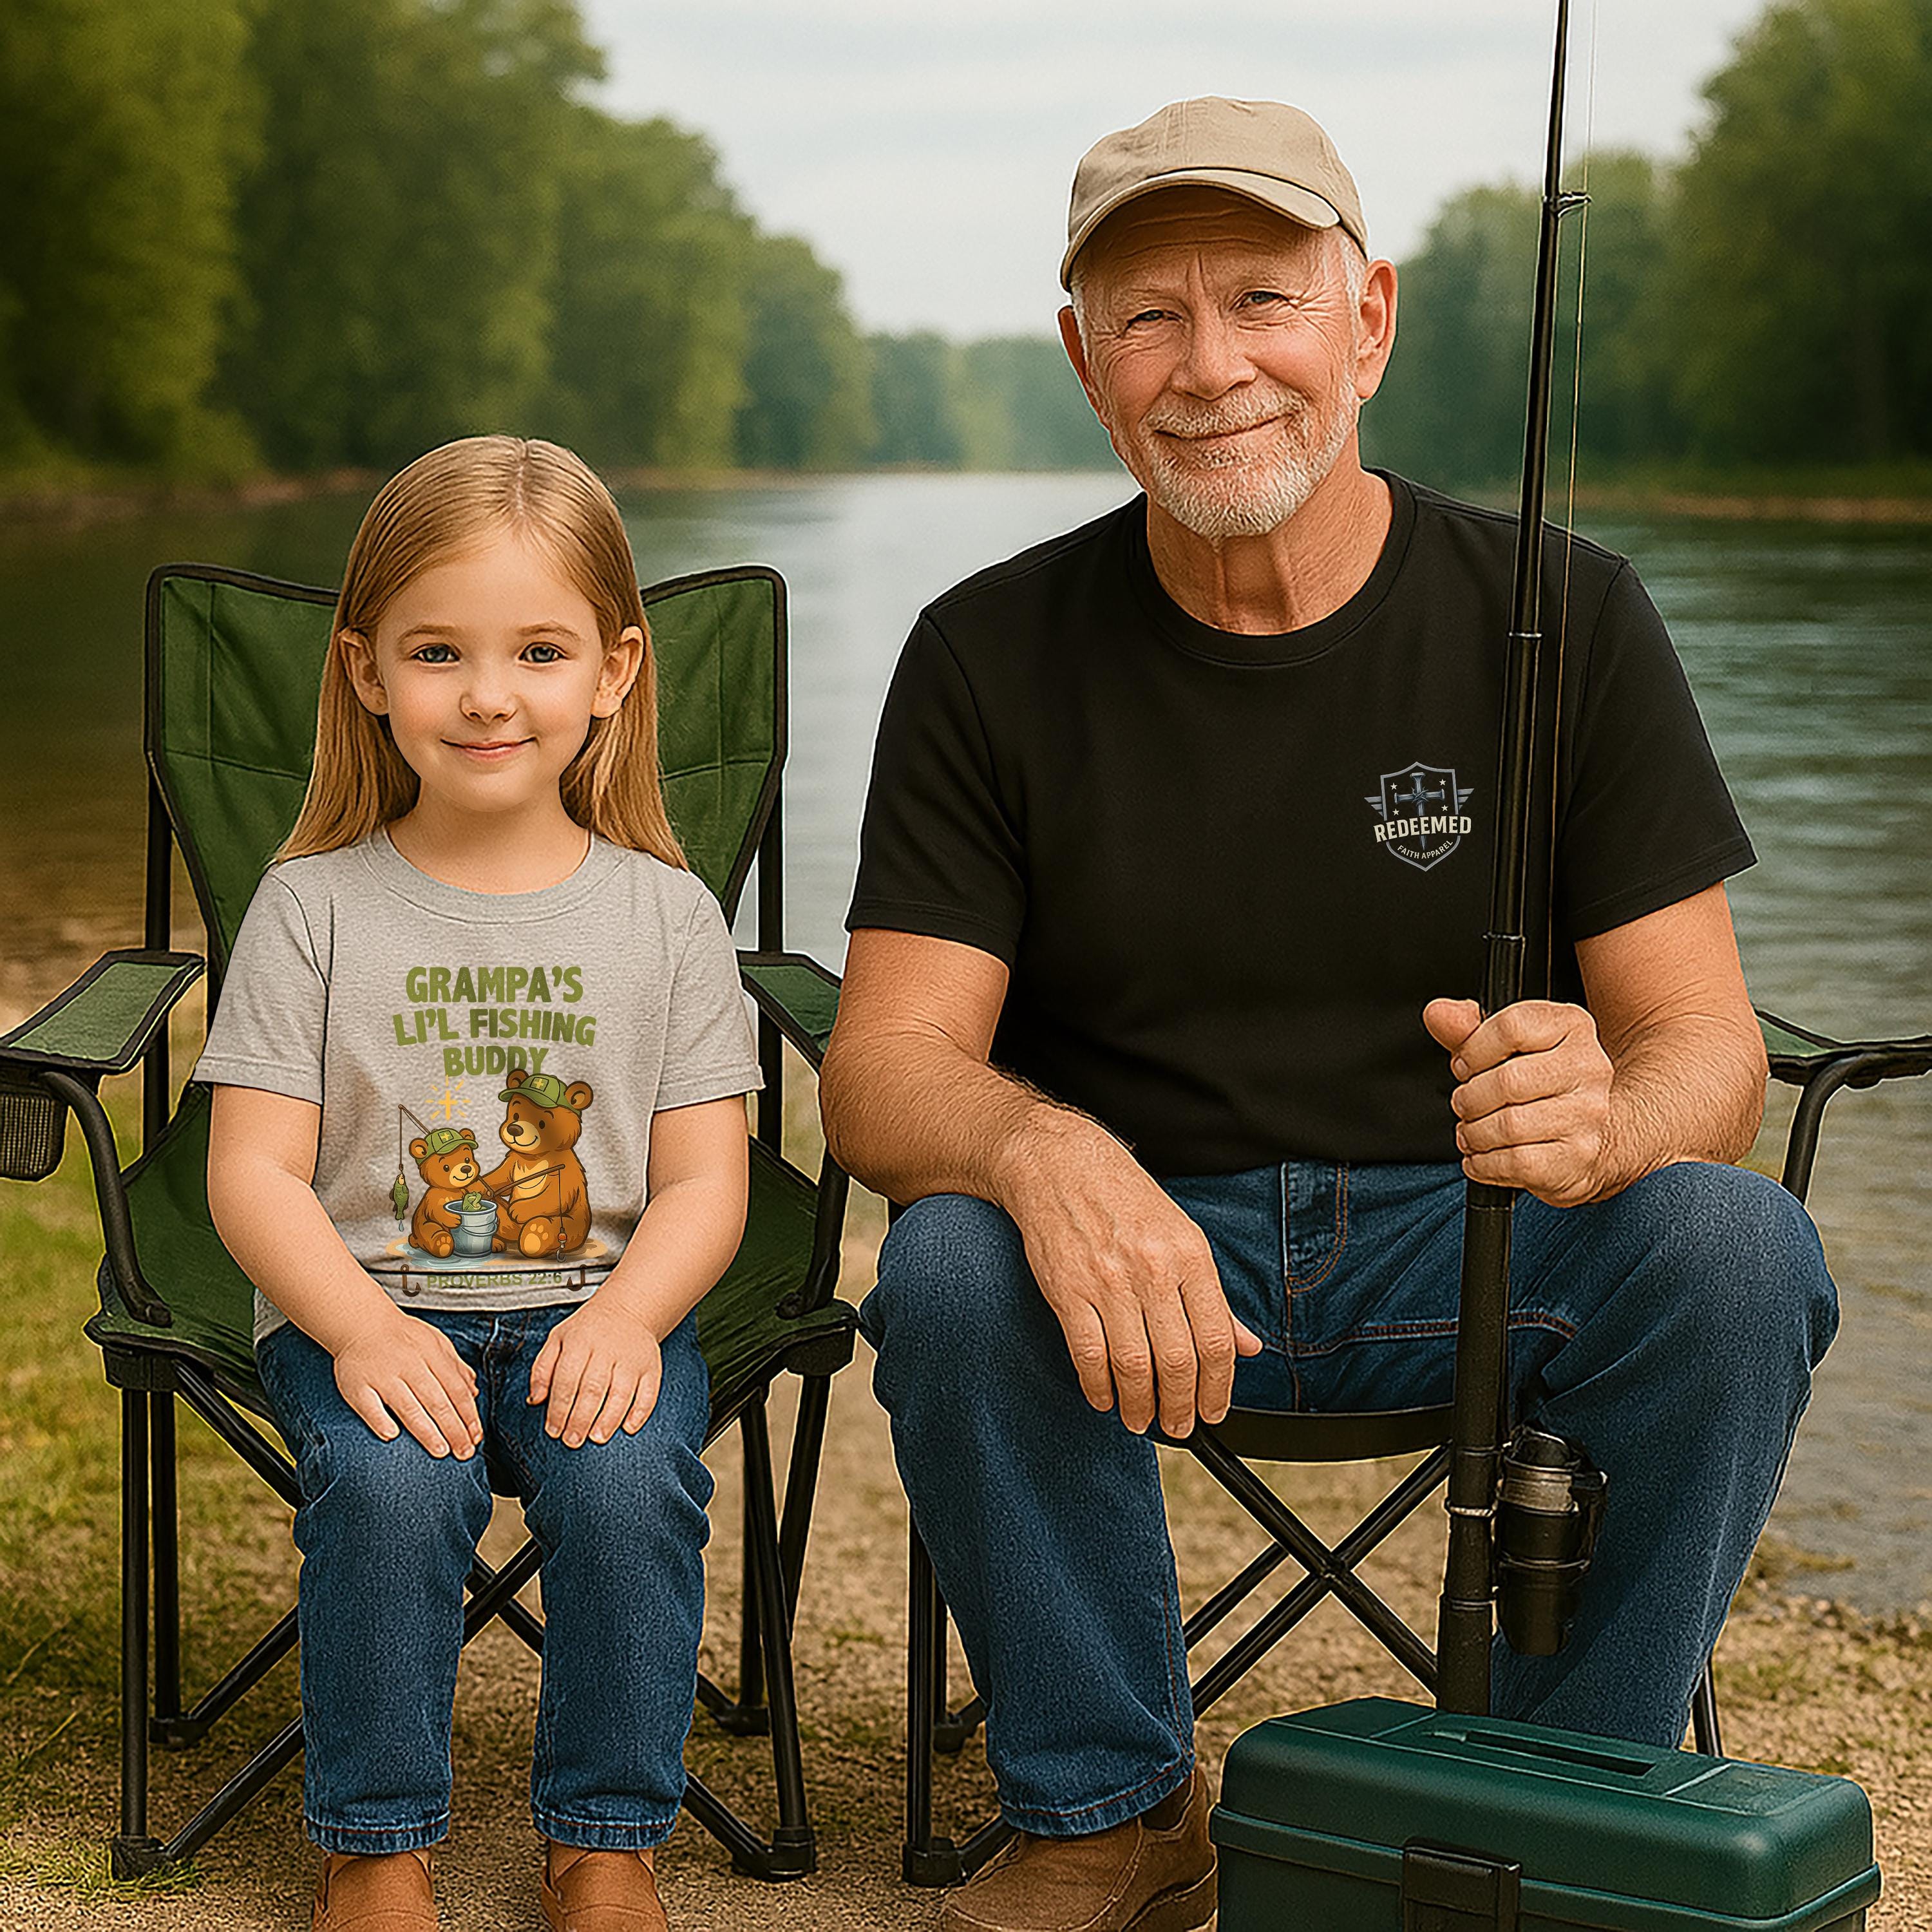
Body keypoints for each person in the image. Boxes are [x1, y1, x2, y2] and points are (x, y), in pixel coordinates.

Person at [819, 97, 1838, 1932]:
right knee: (954, 1260)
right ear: (1085, 364)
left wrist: (1606, 1117)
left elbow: (1714, 1051)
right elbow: (883, 1068)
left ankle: (1556, 1818)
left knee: (1736, 1246)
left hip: (1479, 1249)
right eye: (1149, 316)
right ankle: (1112, 1813)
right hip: (1140, 1263)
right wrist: (1045, 1154)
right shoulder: (984, 649)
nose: (1212, 367)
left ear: (1367, 320)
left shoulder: (1575, 612)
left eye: (1264, 301)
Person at [200, 436, 761, 1932]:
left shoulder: (666, 916)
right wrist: (361, 1329)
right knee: (394, 1488)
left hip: (600, 1311)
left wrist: (631, 1319)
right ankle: (375, 1846)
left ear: (615, 672)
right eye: (438, 651)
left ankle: (606, 1842)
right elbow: (252, 1172)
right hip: (365, 1310)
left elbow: (707, 1185)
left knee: (629, 1488)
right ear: (368, 672)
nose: (489, 695)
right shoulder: (313, 906)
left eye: (539, 652)